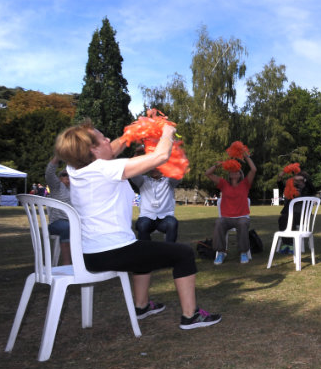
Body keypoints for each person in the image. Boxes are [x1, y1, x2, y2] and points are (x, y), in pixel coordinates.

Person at [54, 120, 221, 330]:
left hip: (89, 254)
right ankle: (191, 316)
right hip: (113, 252)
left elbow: (112, 148)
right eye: (102, 137)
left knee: (143, 251)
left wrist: (135, 131)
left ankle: (142, 307)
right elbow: (160, 157)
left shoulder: (76, 168)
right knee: (184, 253)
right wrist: (167, 131)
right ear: (92, 149)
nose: (108, 139)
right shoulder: (105, 169)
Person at [205, 153, 257, 264]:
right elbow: (207, 174)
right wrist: (217, 165)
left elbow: (254, 169)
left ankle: (243, 253)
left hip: (242, 217)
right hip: (226, 218)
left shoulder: (245, 184)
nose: (234, 173)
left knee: (243, 223)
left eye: (236, 171)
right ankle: (221, 252)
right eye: (231, 171)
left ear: (240, 174)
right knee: (218, 222)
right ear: (229, 174)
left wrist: (246, 156)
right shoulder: (223, 183)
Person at [130, 169, 180, 242]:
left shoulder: (169, 181)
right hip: (147, 216)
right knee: (142, 224)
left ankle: (169, 250)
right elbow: (133, 174)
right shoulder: (143, 180)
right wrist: (135, 162)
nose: (154, 170)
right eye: (152, 167)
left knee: (172, 223)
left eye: (157, 168)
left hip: (165, 217)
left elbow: (177, 175)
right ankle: (147, 250)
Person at [278, 170, 317, 254]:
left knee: (289, 219)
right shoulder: (291, 187)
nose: (297, 182)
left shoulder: (308, 188)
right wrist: (280, 177)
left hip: (302, 215)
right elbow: (281, 186)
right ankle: (287, 243)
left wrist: (304, 179)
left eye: (299, 180)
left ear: (304, 180)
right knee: (282, 219)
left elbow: (312, 188)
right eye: (296, 180)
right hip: (289, 213)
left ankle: (290, 244)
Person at [44, 155, 73, 265]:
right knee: (68, 227)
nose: (67, 177)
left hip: (74, 221)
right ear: (59, 177)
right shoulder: (57, 187)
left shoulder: (75, 188)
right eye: (64, 174)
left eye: (69, 175)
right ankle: (67, 263)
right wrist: (58, 157)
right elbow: (49, 173)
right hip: (57, 223)